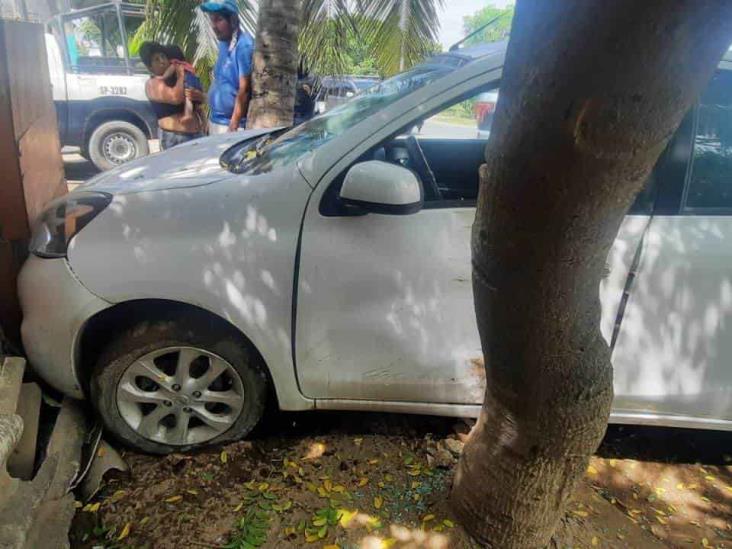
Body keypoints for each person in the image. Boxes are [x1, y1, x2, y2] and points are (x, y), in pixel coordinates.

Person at [140, 41, 206, 150]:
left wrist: (200, 97)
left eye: (163, 56)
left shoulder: (177, 78)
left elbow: (199, 103)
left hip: (197, 134)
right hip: (175, 137)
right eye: (156, 59)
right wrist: (180, 76)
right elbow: (176, 98)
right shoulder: (153, 83)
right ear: (150, 67)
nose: (162, 61)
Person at [200, 0, 254, 134]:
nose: (214, 26)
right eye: (212, 20)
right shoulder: (224, 44)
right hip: (216, 122)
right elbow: (220, 81)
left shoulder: (244, 45)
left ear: (233, 20)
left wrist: (233, 126)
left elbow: (244, 89)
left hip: (231, 126)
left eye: (219, 20)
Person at [164, 45, 204, 126]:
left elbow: (169, 72)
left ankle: (188, 114)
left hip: (187, 81)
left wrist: (162, 77)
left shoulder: (175, 63)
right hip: (195, 81)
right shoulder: (185, 63)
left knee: (188, 98)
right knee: (193, 102)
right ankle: (202, 120)